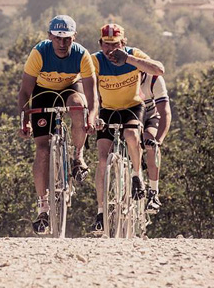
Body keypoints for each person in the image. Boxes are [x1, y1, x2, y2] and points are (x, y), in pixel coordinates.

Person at [18, 15, 98, 235]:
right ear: (49, 37)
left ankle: (78, 156)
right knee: (42, 150)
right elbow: (25, 91)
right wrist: (24, 120)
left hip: (71, 88)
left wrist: (91, 116)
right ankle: (43, 207)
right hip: (42, 92)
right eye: (57, 39)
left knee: (77, 107)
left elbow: (92, 94)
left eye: (67, 39)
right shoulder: (39, 53)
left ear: (74, 38)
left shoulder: (82, 55)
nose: (62, 44)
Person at [91, 23, 165, 232]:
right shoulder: (96, 60)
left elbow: (159, 69)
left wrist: (129, 60)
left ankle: (136, 176)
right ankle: (101, 212)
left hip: (132, 107)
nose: (110, 49)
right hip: (108, 109)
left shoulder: (133, 55)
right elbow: (87, 86)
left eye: (115, 44)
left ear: (123, 44)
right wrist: (93, 115)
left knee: (132, 134)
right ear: (100, 43)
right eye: (106, 44)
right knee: (103, 158)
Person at [140, 72, 171, 214]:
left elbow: (165, 113)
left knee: (150, 143)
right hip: (131, 117)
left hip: (151, 118)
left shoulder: (154, 80)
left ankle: (153, 193)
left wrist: (158, 140)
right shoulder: (122, 76)